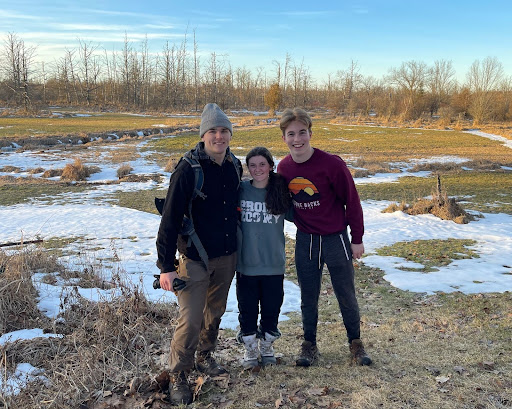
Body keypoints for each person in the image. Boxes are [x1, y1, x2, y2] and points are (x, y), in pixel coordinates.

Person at [156, 103, 242, 405]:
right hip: (193, 259)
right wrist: (165, 266)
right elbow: (168, 220)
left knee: (214, 313)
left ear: (230, 134)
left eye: (223, 130)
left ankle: (205, 356)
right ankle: (179, 373)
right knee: (190, 318)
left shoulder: (234, 165)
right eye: (212, 131)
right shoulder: (187, 170)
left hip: (227, 256)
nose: (219, 136)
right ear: (203, 135)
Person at [276, 108, 372, 367]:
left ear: (310, 133)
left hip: (336, 239)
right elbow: (283, 203)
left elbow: (352, 202)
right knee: (309, 295)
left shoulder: (332, 164)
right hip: (306, 240)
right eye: (291, 134)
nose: (298, 139)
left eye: (302, 132)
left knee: (346, 293)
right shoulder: (283, 168)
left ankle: (355, 343)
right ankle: (309, 345)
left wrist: (357, 237)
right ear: (284, 138)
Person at [235, 147, 292, 369]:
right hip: (247, 264)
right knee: (247, 310)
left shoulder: (280, 191)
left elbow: (303, 215)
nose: (257, 169)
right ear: (247, 169)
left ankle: (267, 347)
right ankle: (250, 349)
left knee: (271, 309)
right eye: (252, 165)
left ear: (270, 166)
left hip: (273, 264)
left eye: (262, 164)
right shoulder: (240, 190)